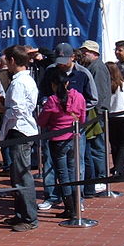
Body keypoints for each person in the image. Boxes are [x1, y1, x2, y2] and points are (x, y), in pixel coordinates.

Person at [37, 42, 97, 209]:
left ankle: (77, 199)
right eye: (59, 60)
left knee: (76, 164)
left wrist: (75, 111)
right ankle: (52, 195)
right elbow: (42, 93)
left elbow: (93, 98)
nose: (62, 64)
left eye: (65, 59)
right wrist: (49, 104)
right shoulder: (50, 71)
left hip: (75, 129)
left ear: (73, 57)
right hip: (53, 128)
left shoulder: (83, 74)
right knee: (50, 162)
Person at [0, 44, 40, 232]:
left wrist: (2, 108)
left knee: (22, 175)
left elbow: (18, 109)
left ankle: (29, 217)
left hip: (20, 130)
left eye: (6, 60)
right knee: (18, 174)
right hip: (21, 129)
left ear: (13, 61)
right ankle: (21, 214)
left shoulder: (20, 82)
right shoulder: (25, 80)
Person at [36, 70, 86, 218]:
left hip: (57, 140)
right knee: (73, 172)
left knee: (63, 175)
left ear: (53, 85)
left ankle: (70, 208)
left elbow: (41, 121)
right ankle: (76, 204)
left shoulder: (52, 100)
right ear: (67, 83)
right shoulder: (79, 97)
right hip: (74, 138)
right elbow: (82, 119)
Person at [79, 40, 112, 196]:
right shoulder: (92, 67)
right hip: (95, 114)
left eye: (86, 51)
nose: (83, 54)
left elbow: (98, 94)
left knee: (97, 147)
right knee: (94, 147)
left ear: (94, 53)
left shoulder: (97, 67)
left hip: (96, 115)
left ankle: (101, 177)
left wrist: (96, 113)